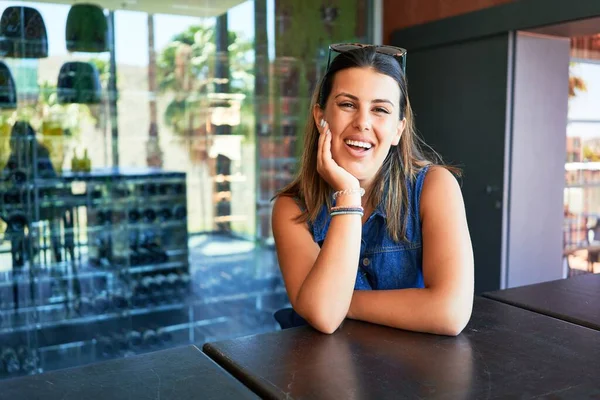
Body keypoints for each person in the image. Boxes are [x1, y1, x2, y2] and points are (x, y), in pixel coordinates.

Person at [271, 44, 474, 336]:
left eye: (380, 109)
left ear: (398, 130)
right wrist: (349, 196)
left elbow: (450, 313)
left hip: (415, 374)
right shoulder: (292, 208)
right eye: (347, 104)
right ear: (320, 117)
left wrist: (343, 302)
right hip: (322, 373)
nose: (363, 122)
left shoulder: (435, 186)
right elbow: (326, 317)